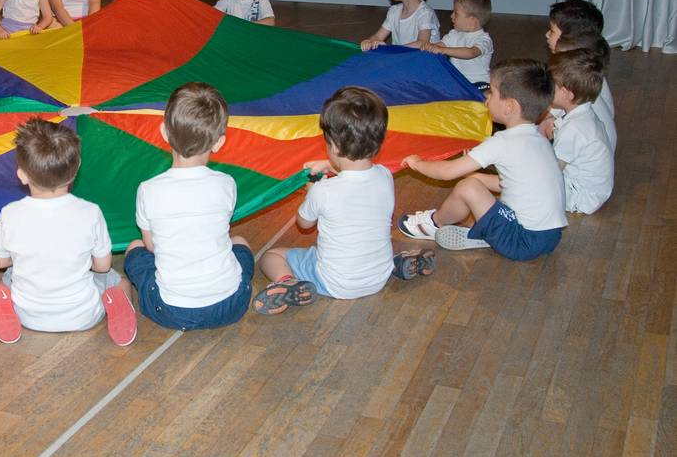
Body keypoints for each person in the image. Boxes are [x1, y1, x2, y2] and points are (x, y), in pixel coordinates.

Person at [253, 87, 435, 315]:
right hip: (378, 276)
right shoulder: (384, 176)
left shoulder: (323, 192)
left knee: (272, 256)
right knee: (367, 242)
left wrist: (311, 188)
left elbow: (304, 223)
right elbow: (357, 178)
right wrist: (330, 165)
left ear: (334, 145)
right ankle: (396, 264)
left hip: (336, 282)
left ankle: (287, 281)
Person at [0, 118, 137, 346]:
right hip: (85, 315)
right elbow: (103, 266)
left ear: (22, 175)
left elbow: (0, 262)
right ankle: (118, 310)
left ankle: (5, 307)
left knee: (5, 280)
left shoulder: (9, 214)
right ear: (76, 169)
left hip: (26, 314)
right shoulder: (90, 212)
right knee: (120, 281)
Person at [400, 59, 567, 260]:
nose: (487, 97)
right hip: (549, 237)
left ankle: (434, 223)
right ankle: (484, 233)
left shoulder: (503, 142)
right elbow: (510, 184)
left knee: (467, 188)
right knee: (474, 182)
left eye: (492, 92)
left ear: (509, 106)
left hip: (521, 240)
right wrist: (473, 175)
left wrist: (417, 163)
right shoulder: (539, 140)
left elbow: (447, 172)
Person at [123, 82, 255, 331]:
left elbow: (151, 246)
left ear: (164, 132)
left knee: (135, 248)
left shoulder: (148, 189)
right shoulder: (226, 183)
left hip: (172, 310)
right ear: (219, 142)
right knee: (240, 242)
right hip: (232, 304)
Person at [548, 49, 614, 215]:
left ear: (567, 94)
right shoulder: (584, 114)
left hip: (581, 196)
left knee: (528, 180)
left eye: (551, 86)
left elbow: (553, 170)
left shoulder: (574, 128)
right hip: (593, 191)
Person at [545, 0, 616, 152]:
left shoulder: (574, 83)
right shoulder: (588, 74)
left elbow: (541, 111)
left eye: (552, 31)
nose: (547, 35)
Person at [427, 0, 494, 88]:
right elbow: (440, 45)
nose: (451, 16)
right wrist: (429, 47)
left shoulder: (484, 39)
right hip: (457, 82)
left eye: (456, 13)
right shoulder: (453, 34)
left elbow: (471, 53)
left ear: (472, 20)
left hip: (478, 83)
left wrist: (443, 50)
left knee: (484, 94)